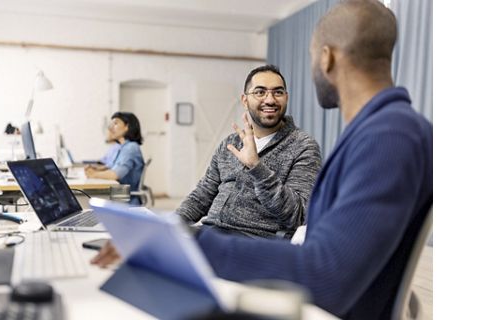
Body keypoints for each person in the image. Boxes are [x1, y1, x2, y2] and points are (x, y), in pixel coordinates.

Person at [92, 1, 432, 319]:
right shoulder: (377, 133)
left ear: (326, 58)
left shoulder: (389, 137)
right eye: (261, 92)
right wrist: (168, 235)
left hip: (307, 302)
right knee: (131, 285)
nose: (271, 99)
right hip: (281, 282)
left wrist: (192, 244)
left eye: (312, 59)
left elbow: (326, 276)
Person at [177, 65, 321, 238]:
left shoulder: (303, 146)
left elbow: (297, 215)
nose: (270, 100)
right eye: (260, 92)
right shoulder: (230, 143)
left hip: (253, 240)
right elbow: (202, 195)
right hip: (211, 232)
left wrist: (256, 167)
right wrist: (170, 224)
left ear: (286, 97)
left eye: (278, 92)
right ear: (245, 100)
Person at [85, 112, 145, 205]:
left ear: (127, 127)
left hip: (125, 197)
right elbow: (112, 167)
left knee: (85, 195)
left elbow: (115, 175)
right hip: (120, 192)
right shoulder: (123, 147)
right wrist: (97, 170)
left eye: (116, 123)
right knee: (86, 194)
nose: (110, 127)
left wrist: (93, 174)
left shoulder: (130, 148)